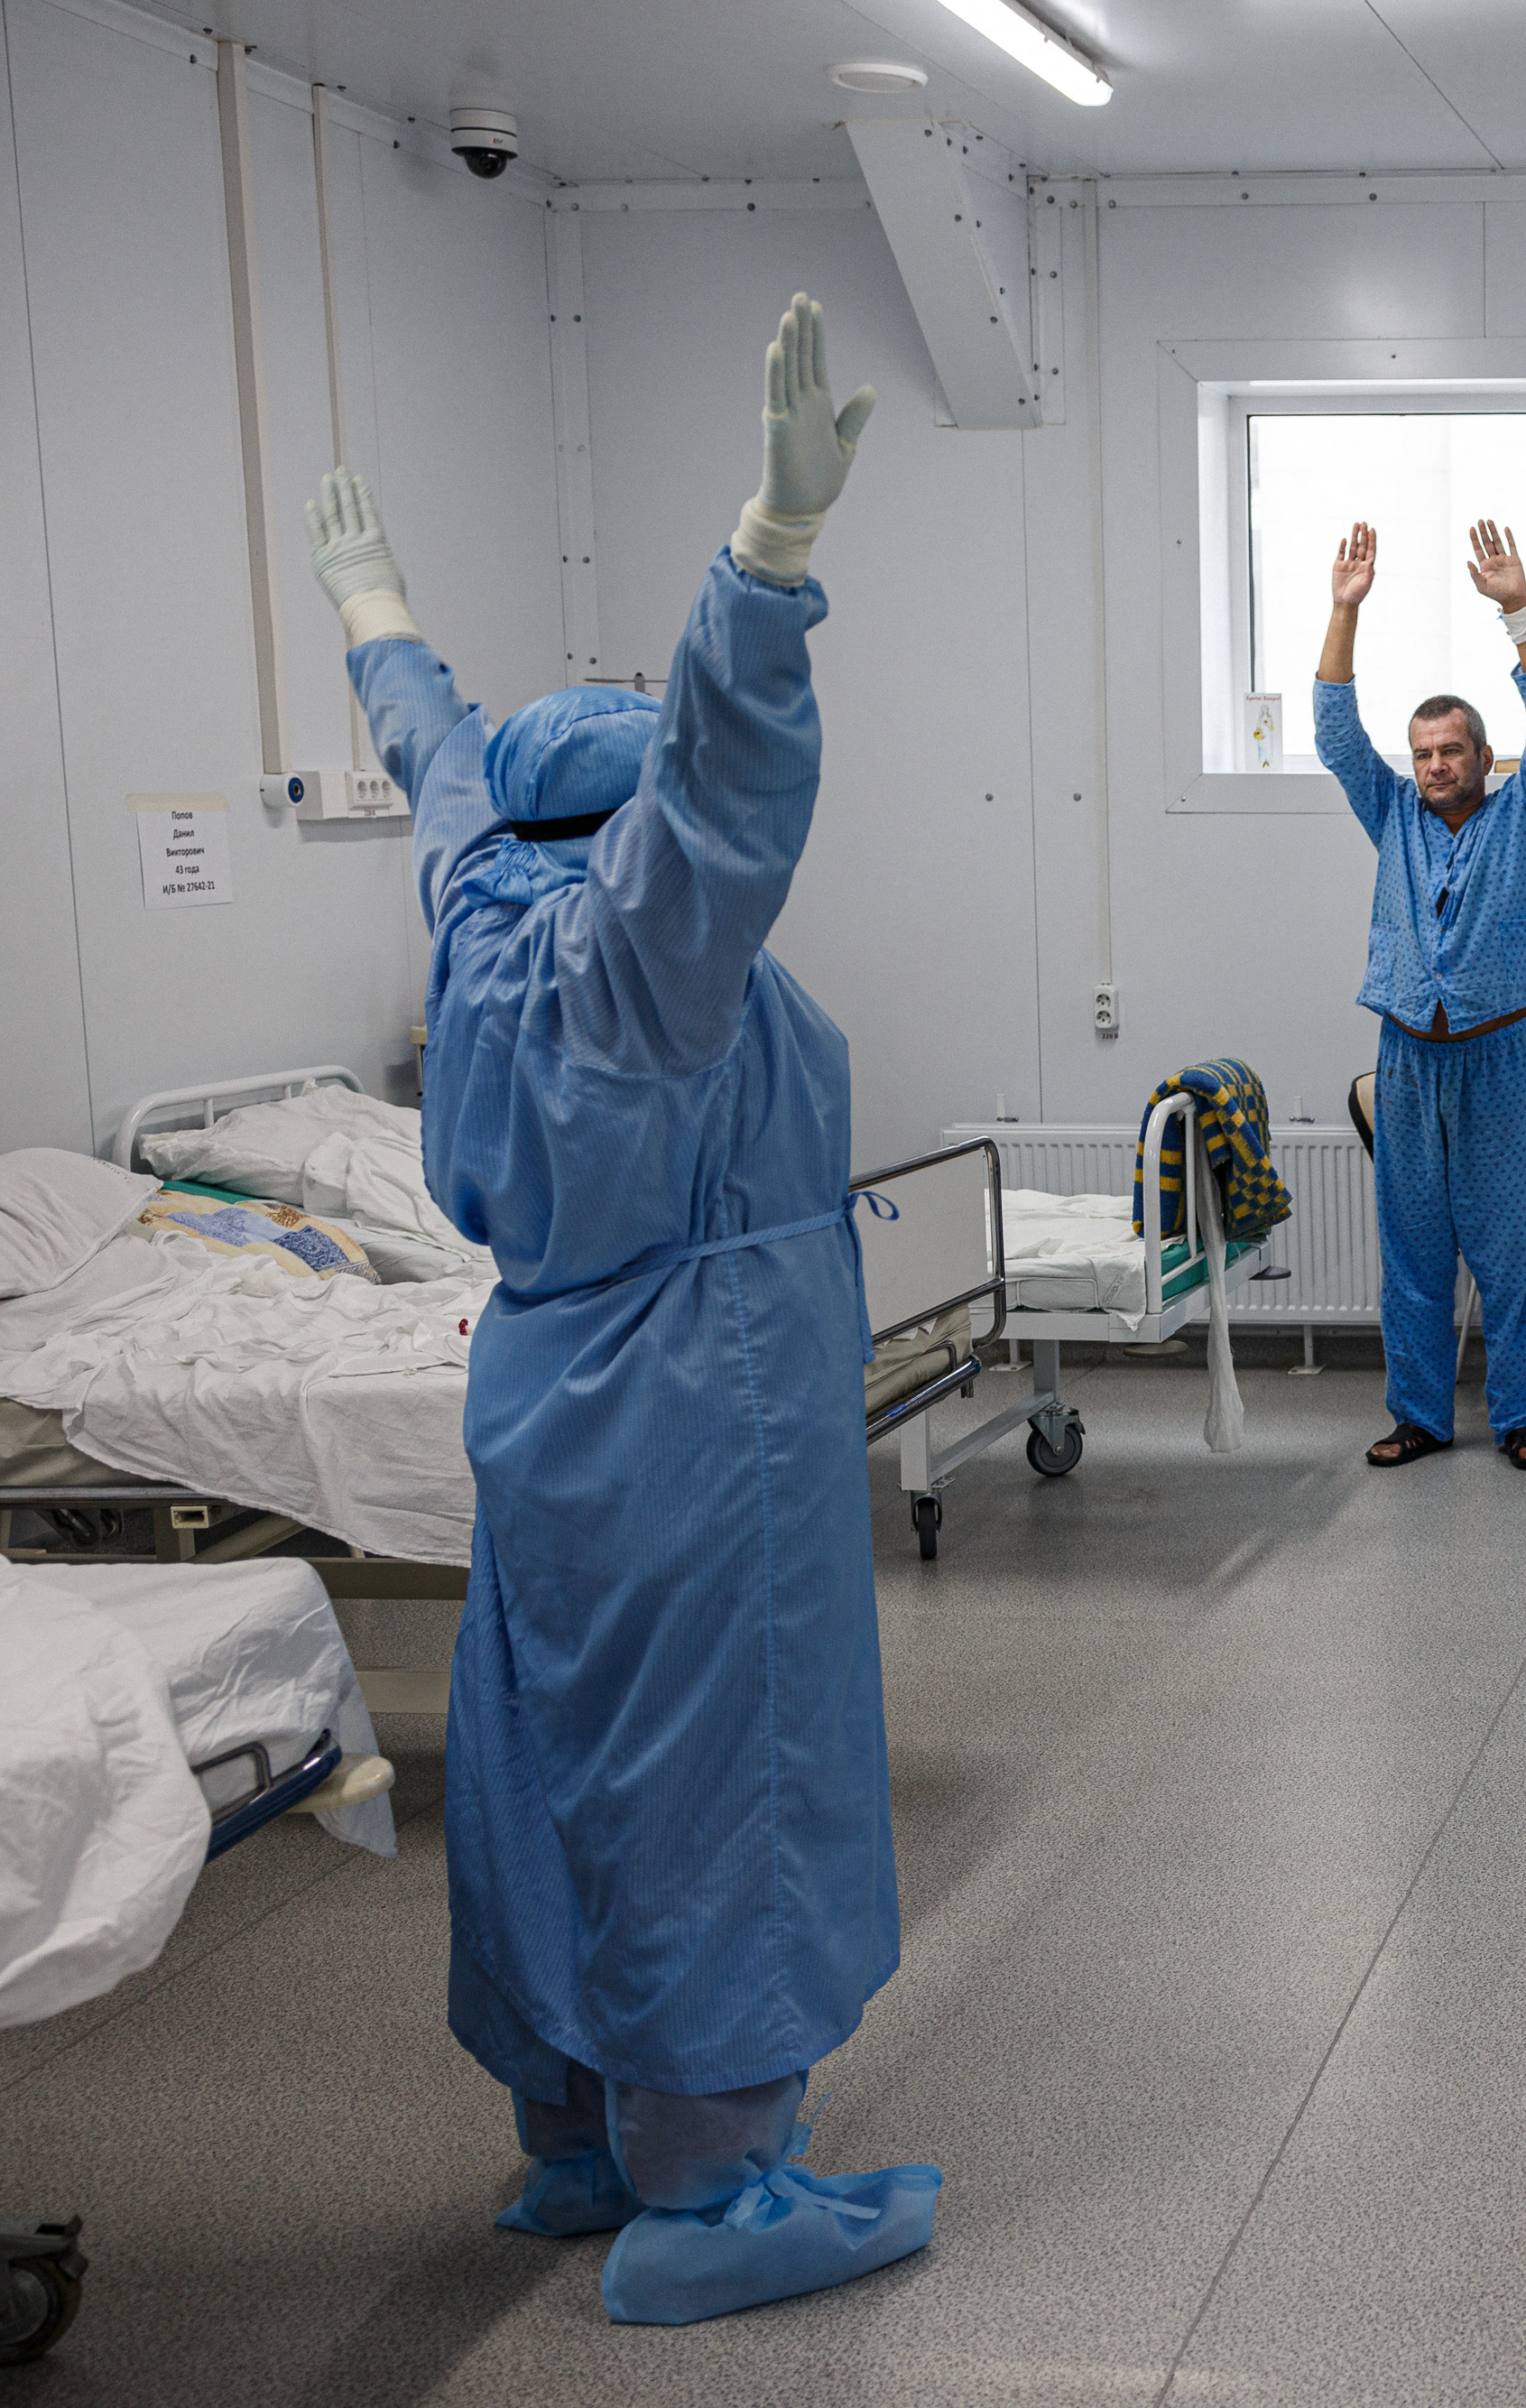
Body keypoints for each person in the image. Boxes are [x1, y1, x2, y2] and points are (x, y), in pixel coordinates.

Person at [304, 294, 940, 2323]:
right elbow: (723, 788)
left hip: (547, 1399)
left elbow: (433, 760)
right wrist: (767, 555)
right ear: (638, 834)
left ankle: (574, 2129)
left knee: (549, 1755)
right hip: (699, 1412)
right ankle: (714, 2191)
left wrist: (379, 617)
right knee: (715, 1779)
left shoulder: (480, 905)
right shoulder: (633, 961)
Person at [1315, 515, 1526, 1471]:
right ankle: (1420, 1416)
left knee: (1512, 1250)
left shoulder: (1523, 814)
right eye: (1423, 753)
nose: (1435, 766)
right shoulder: (1390, 813)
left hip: (1499, 1057)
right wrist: (1344, 610)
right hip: (1406, 1060)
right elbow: (1335, 735)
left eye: (1451, 751)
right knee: (1415, 1251)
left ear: (1481, 755)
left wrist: (1519, 608)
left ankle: (1525, 1418)